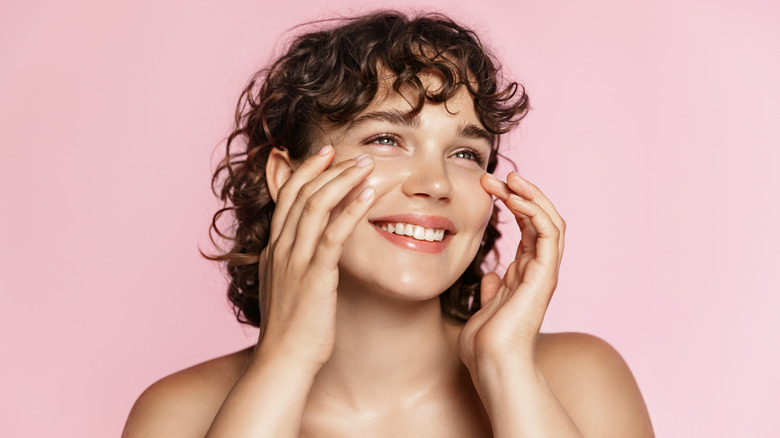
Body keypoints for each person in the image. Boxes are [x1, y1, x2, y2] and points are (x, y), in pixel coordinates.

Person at [122, 11, 654, 437]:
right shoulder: (180, 415)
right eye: (386, 139)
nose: (438, 183)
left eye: (467, 153)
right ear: (289, 176)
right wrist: (284, 361)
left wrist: (506, 372)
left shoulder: (579, 380)